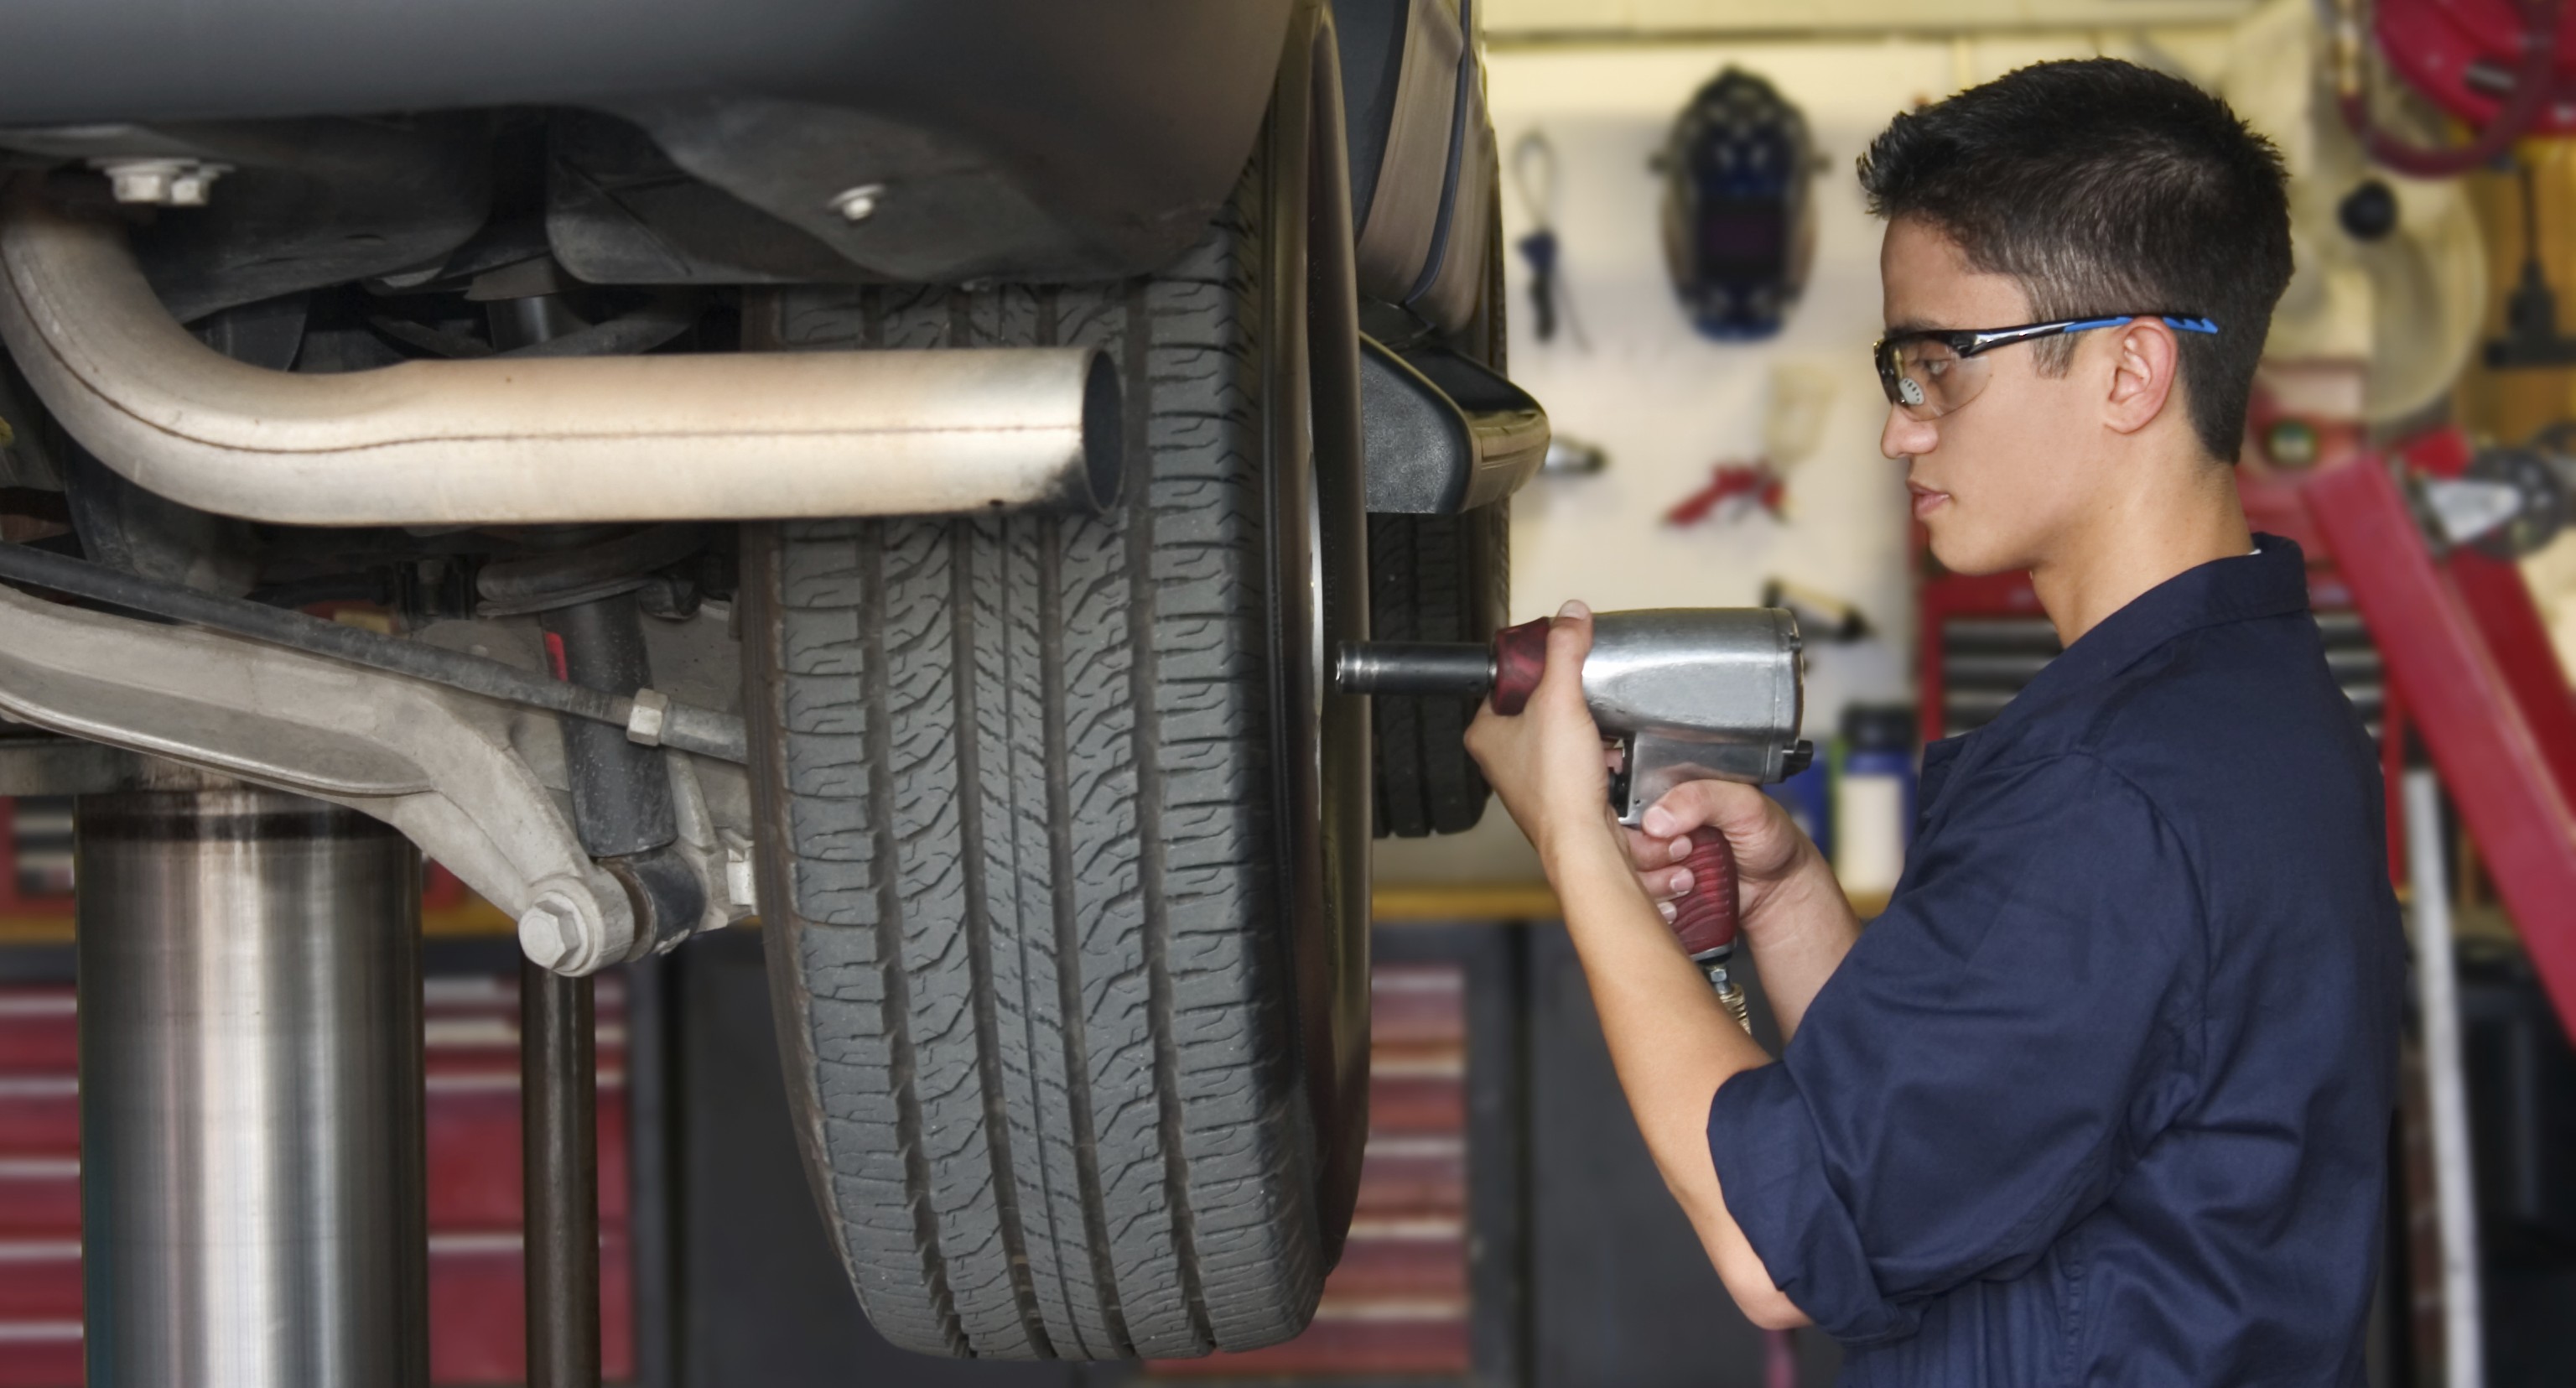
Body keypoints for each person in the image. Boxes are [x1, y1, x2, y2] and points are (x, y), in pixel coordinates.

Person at [1465, 58, 2403, 1384]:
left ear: (2130, 371)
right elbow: (1982, 1131)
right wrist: (1790, 902)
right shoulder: (2247, 711)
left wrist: (1567, 825)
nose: (1903, 432)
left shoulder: (2113, 789)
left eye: (1936, 365)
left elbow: (1775, 1235)